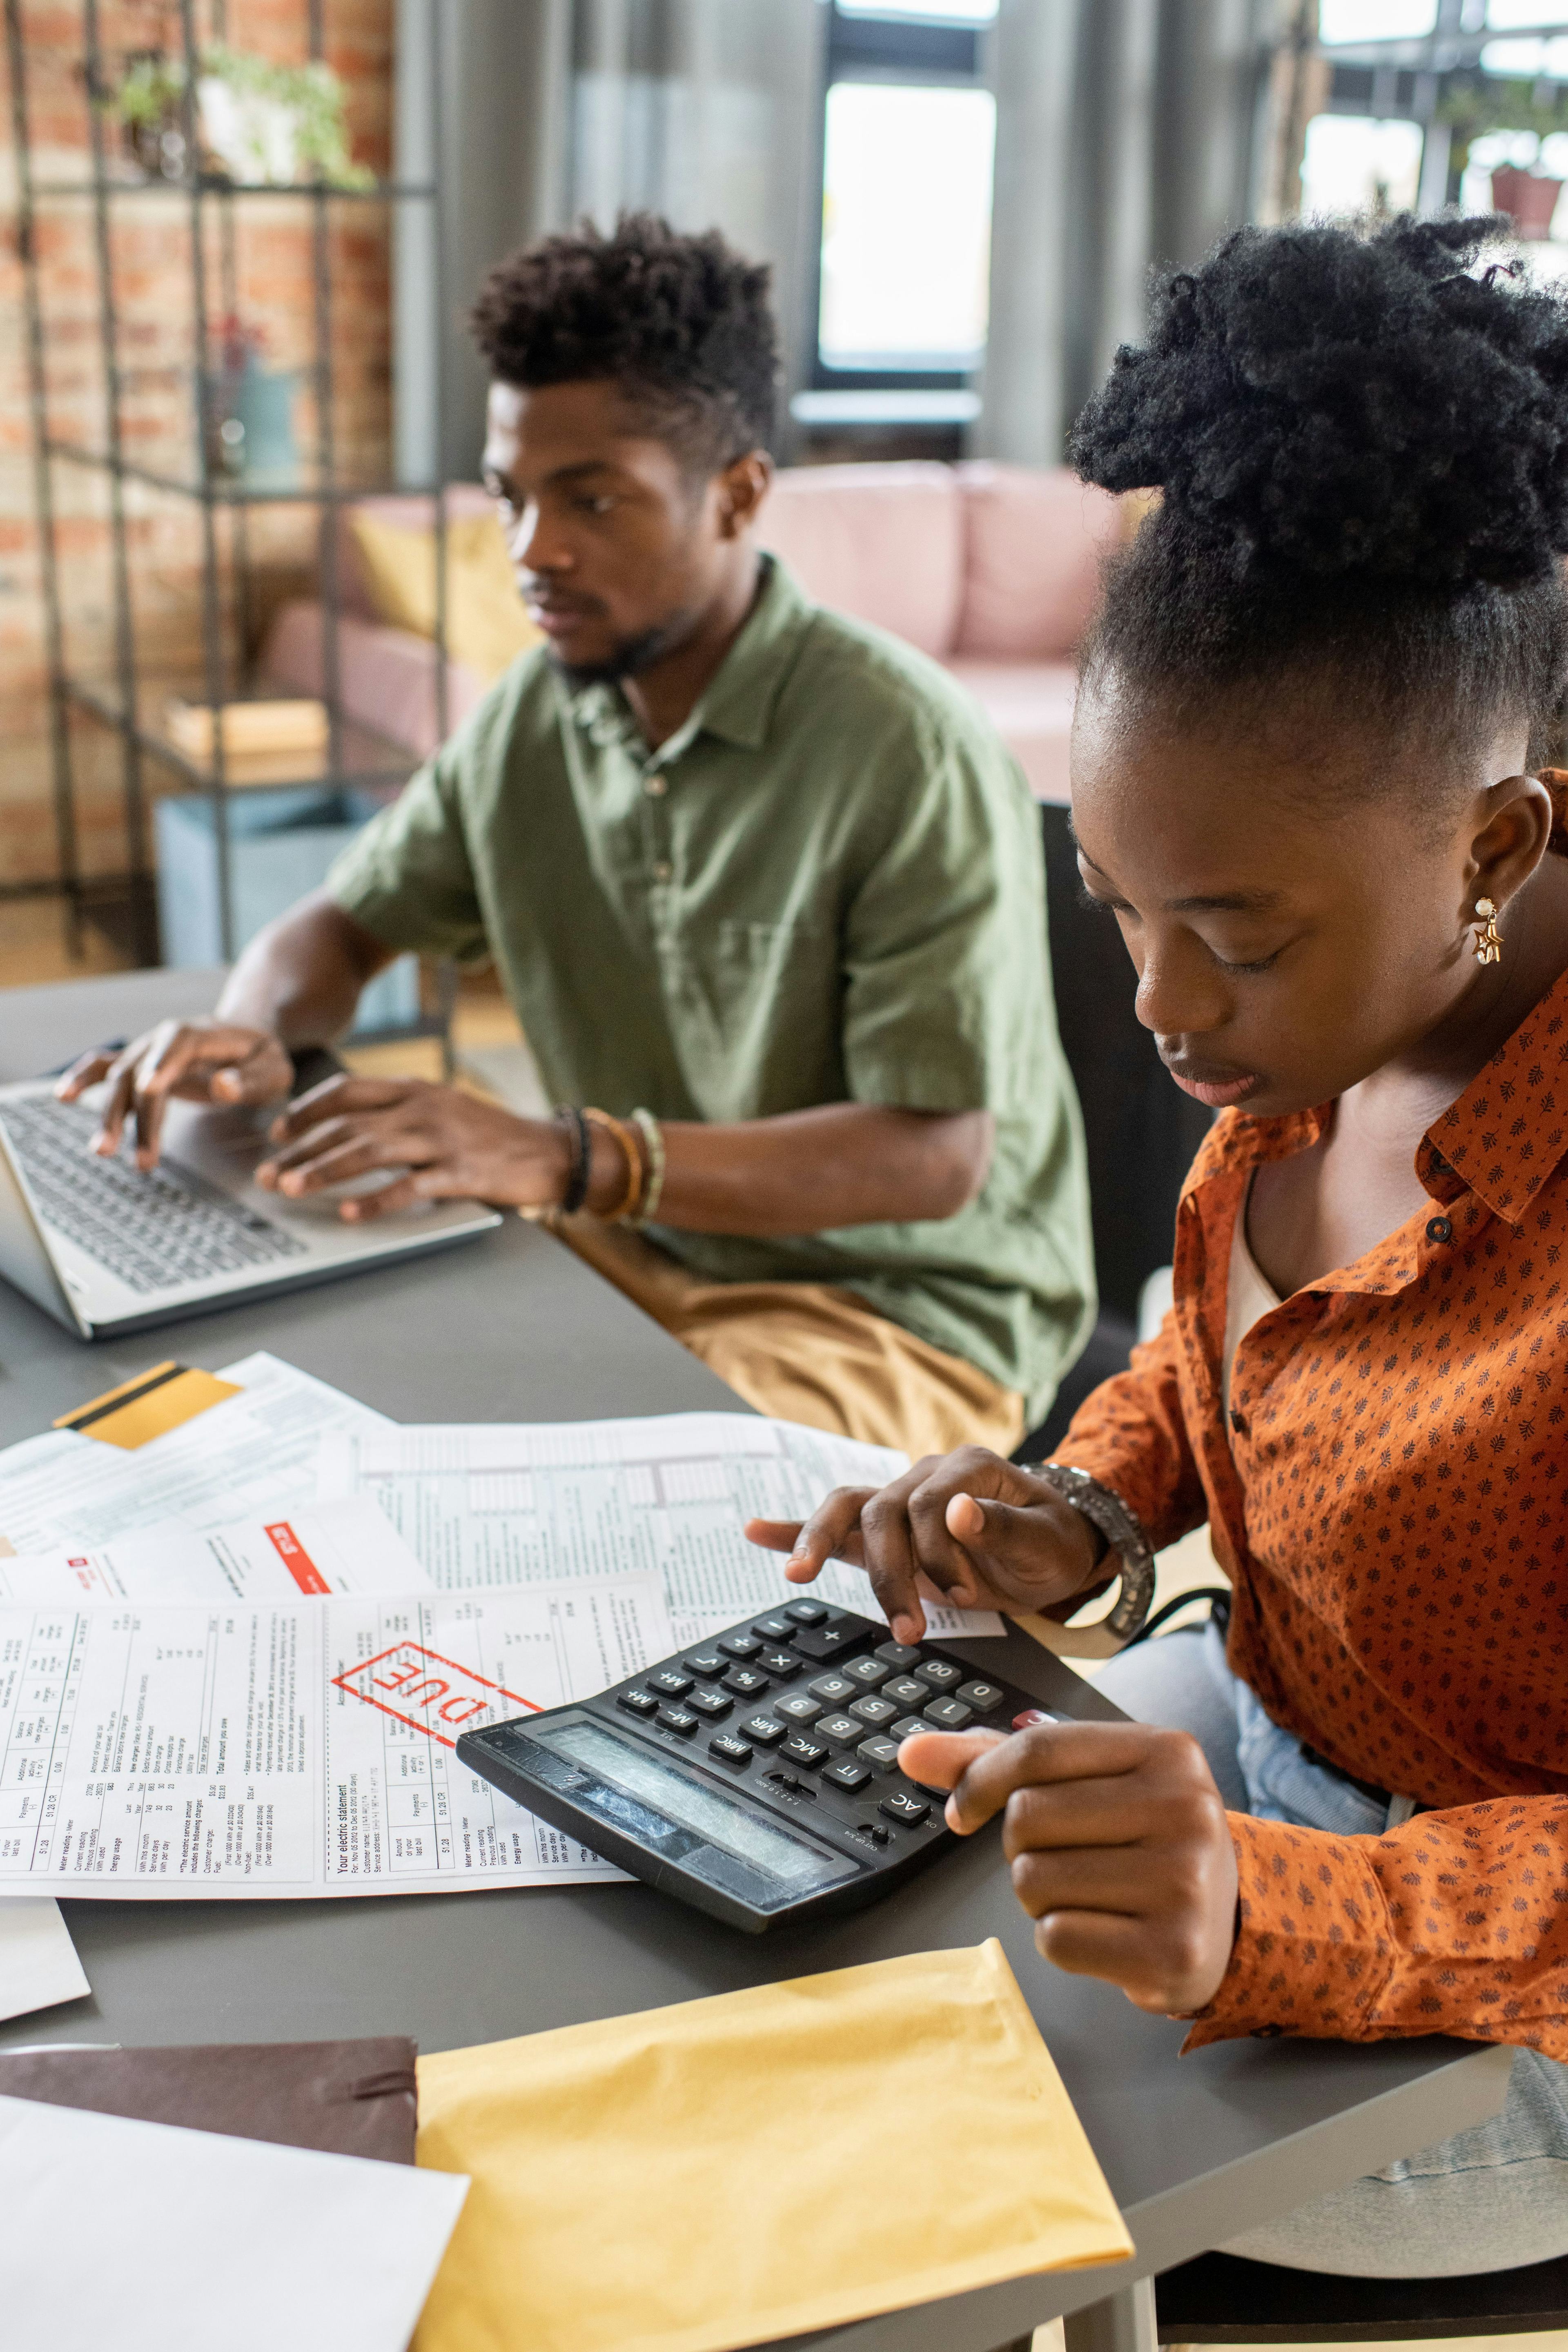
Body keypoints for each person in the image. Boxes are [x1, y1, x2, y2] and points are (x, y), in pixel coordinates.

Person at [748, 215, 1568, 2278]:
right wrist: (1083, 1508)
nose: (1156, 1007)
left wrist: (1276, 1915)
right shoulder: (1313, 1039)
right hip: (1254, 1753)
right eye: (1118, 903)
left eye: (1233, 935)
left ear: (1492, 849)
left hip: (1499, 1988)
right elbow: (1237, 1365)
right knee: (830, 1980)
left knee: (969, 2194)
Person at [57, 214, 1092, 1460]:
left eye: (591, 500)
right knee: (312, 1403)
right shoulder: (538, 716)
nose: (529, 552)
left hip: (895, 1313)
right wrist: (253, 1029)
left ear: (740, 494)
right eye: (512, 497)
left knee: (571, 1503)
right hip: (629, 1248)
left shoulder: (904, 749)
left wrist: (563, 1157)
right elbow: (338, 925)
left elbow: (931, 1160)